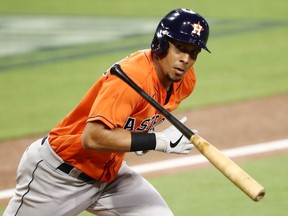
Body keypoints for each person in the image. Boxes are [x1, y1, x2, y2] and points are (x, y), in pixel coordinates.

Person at [4, 8, 210, 216]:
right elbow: (92, 138)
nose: (186, 59)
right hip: (58, 176)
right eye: (180, 48)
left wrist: (141, 135)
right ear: (161, 43)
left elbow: (138, 113)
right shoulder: (132, 78)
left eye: (193, 52)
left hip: (111, 177)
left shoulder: (185, 81)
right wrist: (157, 140)